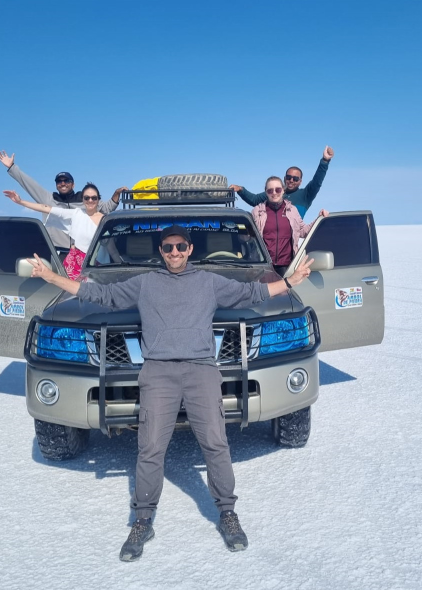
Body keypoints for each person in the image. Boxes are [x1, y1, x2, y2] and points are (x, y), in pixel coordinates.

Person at [26, 224, 315, 560]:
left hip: (201, 369)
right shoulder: (145, 283)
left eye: (180, 247)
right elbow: (99, 295)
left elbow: (253, 293)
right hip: (158, 372)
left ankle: (227, 512)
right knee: (150, 446)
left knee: (216, 442)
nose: (174, 252)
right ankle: (142, 520)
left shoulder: (209, 282)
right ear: (160, 251)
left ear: (190, 249)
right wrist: (51, 277)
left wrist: (290, 282)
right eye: (167, 247)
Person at [0, 151, 127, 248]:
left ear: (73, 184)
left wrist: (116, 193)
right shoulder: (48, 199)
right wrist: (12, 167)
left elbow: (107, 208)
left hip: (82, 251)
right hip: (58, 252)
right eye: (59, 181)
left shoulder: (86, 200)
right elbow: (30, 184)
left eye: (66, 181)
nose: (63, 183)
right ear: (56, 185)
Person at [4, 183, 104, 280]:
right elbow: (46, 208)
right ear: (82, 199)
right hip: (74, 267)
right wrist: (20, 201)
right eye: (87, 198)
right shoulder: (76, 214)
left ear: (98, 199)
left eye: (94, 198)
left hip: (97, 267)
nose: (90, 200)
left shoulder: (105, 220)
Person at [230, 145, 334, 218]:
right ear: (284, 178)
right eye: (289, 177)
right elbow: (254, 200)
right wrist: (240, 189)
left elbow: (317, 182)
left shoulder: (305, 195)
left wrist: (325, 161)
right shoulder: (275, 192)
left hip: (292, 240)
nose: (291, 180)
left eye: (295, 179)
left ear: (300, 182)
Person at [252, 176, 329, 276]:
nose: (274, 193)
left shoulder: (292, 210)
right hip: (264, 266)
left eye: (278, 189)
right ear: (266, 192)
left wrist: (319, 218)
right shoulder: (257, 211)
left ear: (283, 190)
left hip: (287, 266)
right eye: (270, 190)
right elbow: (250, 237)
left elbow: (303, 231)